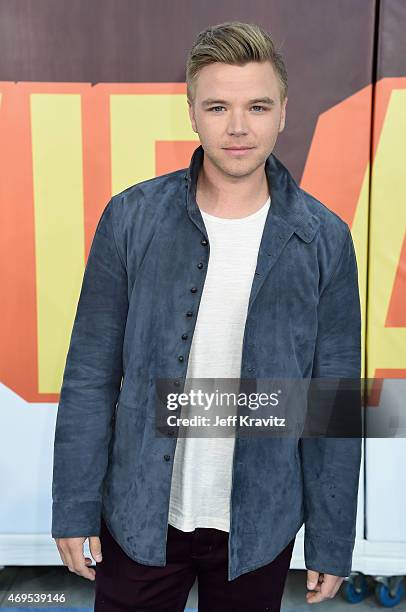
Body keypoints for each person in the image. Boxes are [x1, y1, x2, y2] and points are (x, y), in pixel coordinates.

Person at [52, 21, 362, 611]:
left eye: (258, 106)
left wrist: (331, 537)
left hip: (260, 524)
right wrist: (73, 504)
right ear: (192, 111)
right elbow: (90, 375)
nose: (239, 127)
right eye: (218, 106)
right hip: (140, 515)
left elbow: (332, 402)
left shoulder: (324, 238)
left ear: (284, 113)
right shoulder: (131, 218)